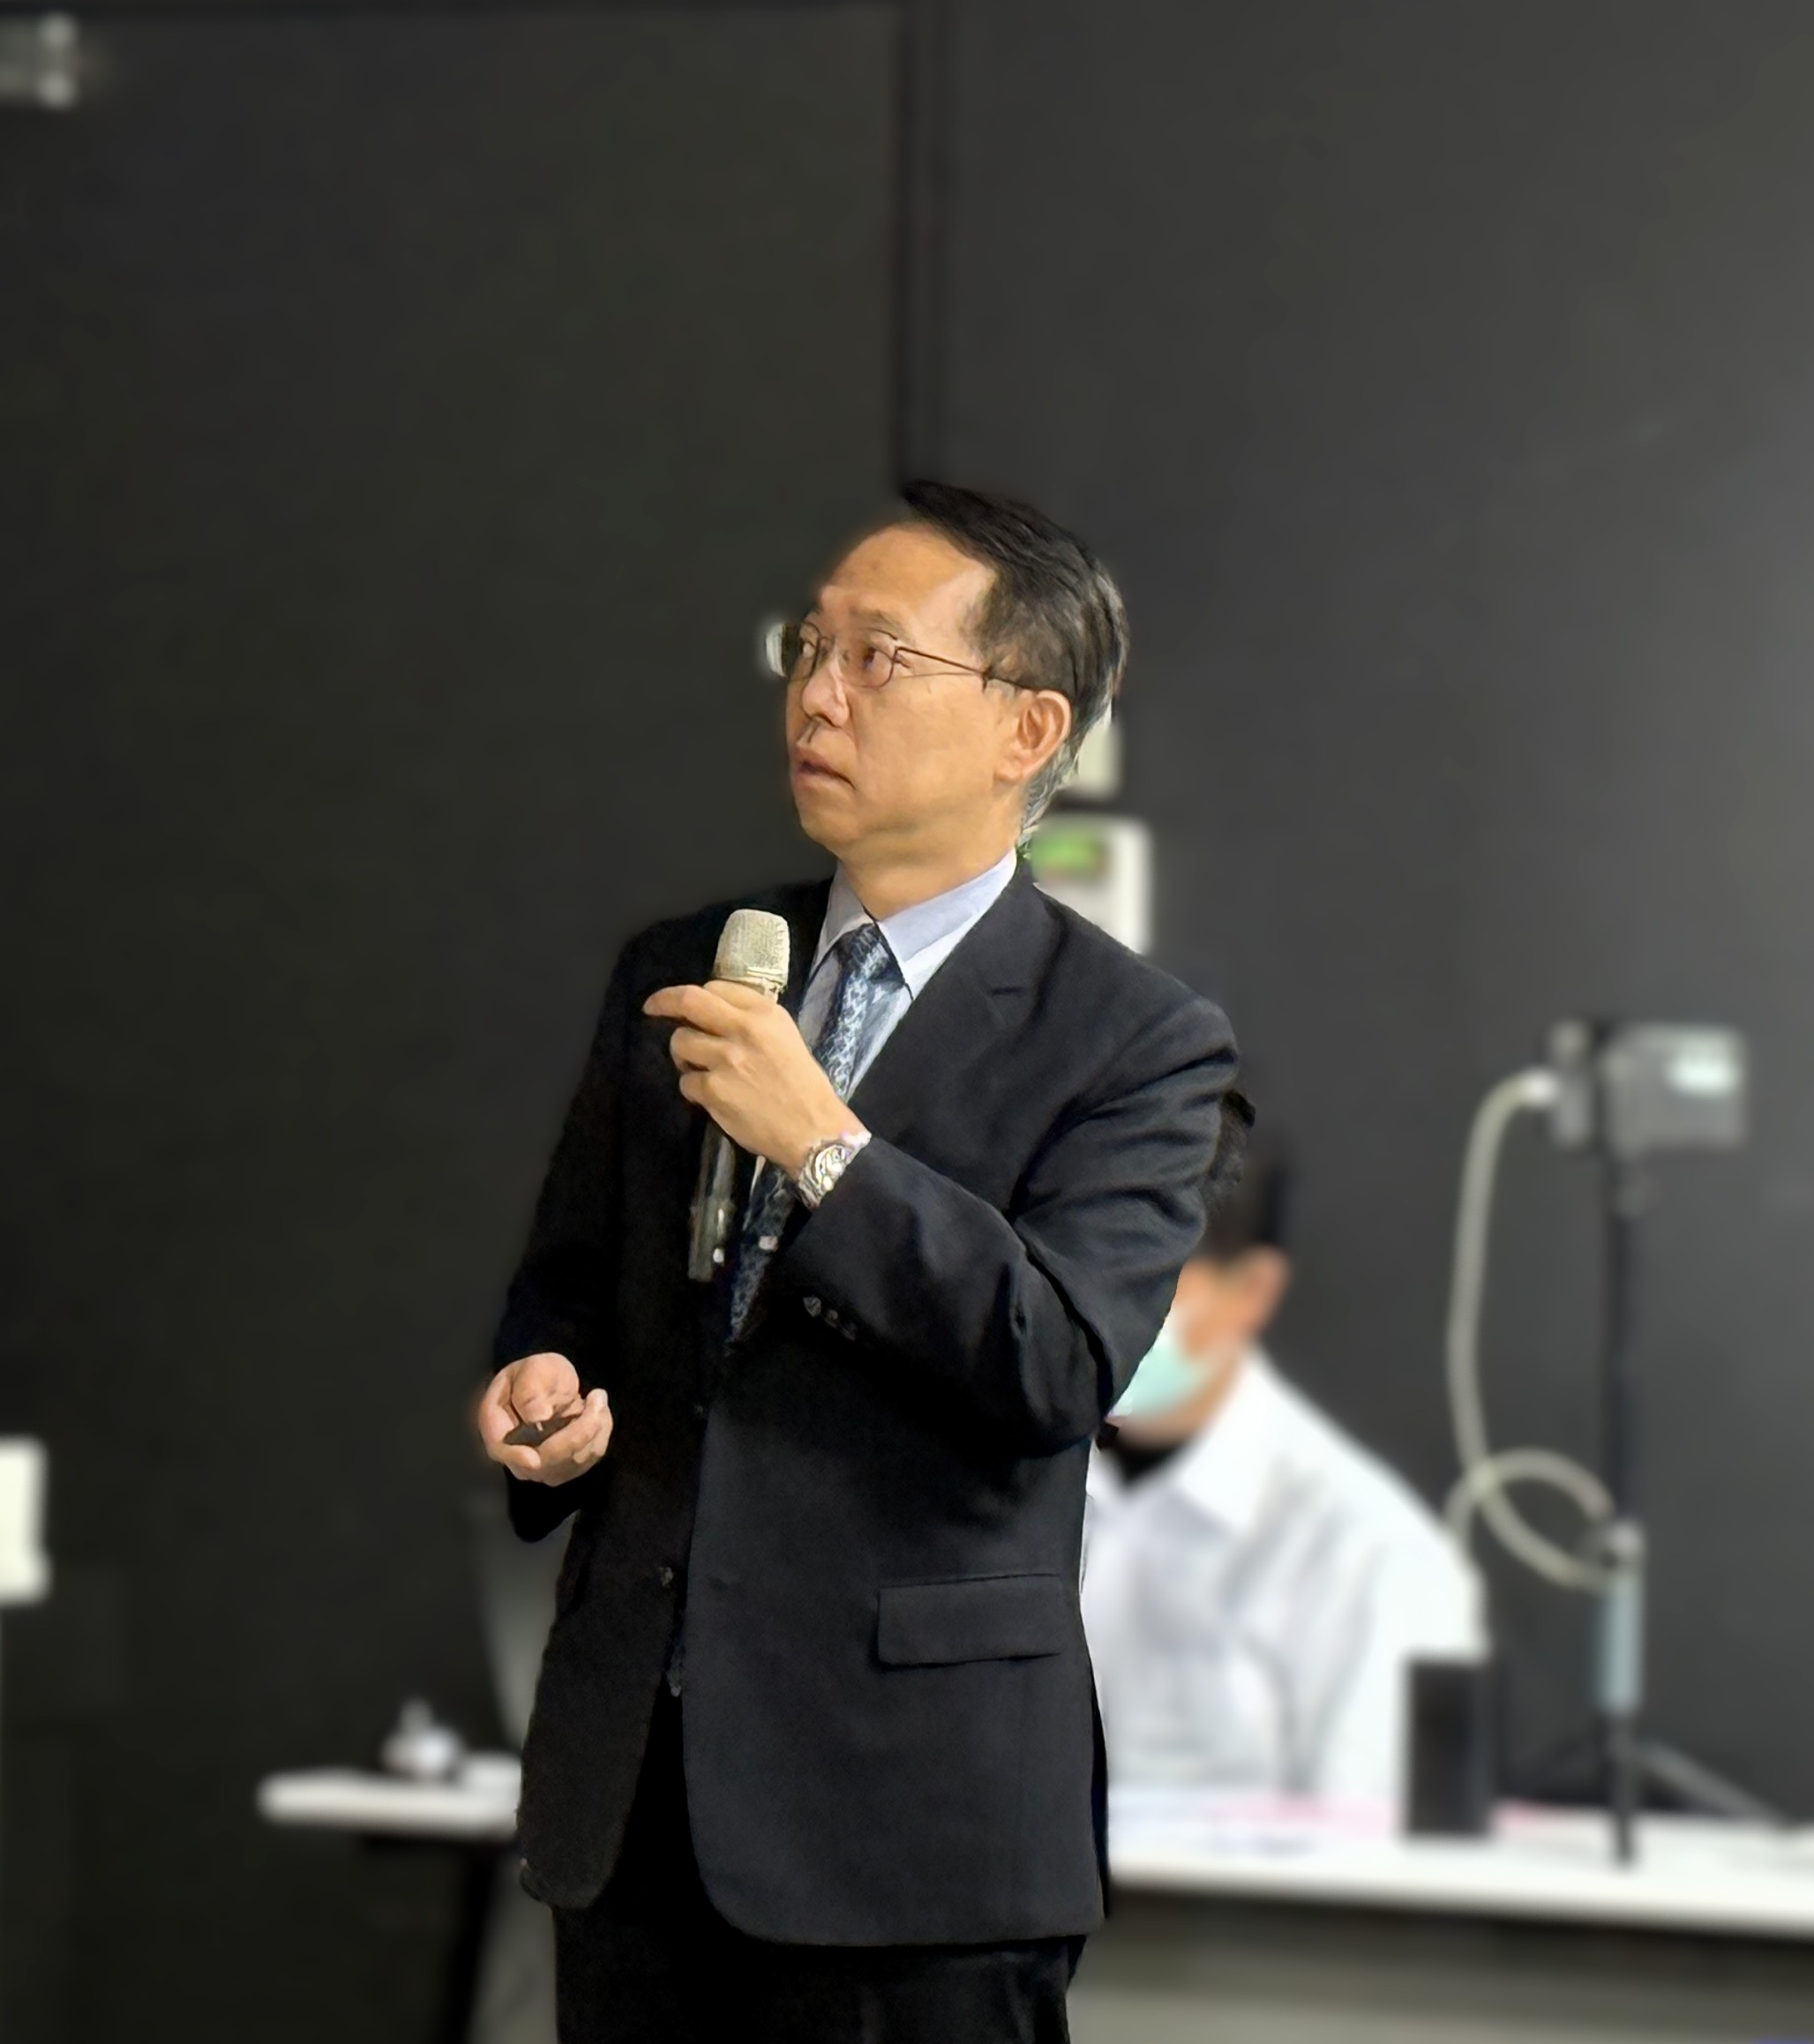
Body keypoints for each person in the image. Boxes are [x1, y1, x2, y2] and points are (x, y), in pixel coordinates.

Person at [476, 482, 1237, 2043]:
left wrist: (826, 1147)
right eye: (807, 648)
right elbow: (573, 1282)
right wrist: (546, 1384)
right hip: (637, 1802)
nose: (817, 695)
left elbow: (1052, 1364)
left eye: (878, 657)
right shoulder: (690, 967)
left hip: (911, 1833)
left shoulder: (1136, 1042)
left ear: (1028, 727)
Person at [1083, 1119, 1481, 1813]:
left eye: (1144, 1284)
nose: (1094, 1311)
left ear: (1250, 1291)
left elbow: (1362, 1861)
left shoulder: (1372, 1560)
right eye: (1073, 1268)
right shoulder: (984, 1481)